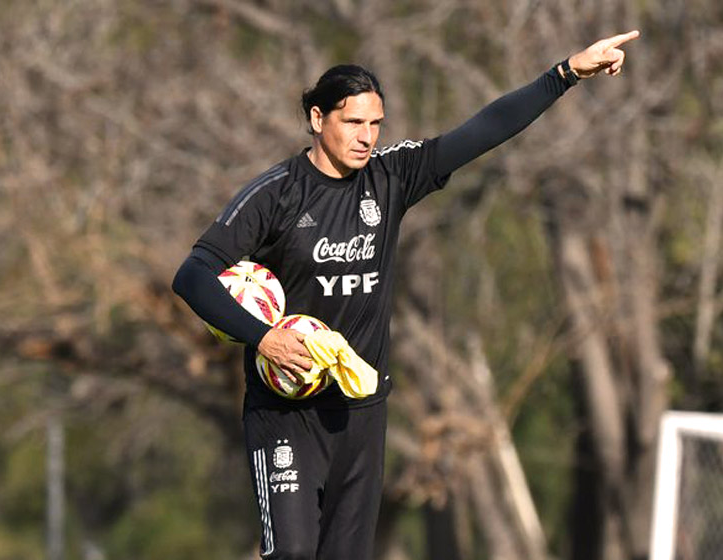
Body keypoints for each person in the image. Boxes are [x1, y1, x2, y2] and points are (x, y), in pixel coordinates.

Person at [173, 30, 640, 560]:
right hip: (286, 414)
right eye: (353, 122)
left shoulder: (391, 177)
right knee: (293, 554)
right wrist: (263, 339)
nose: (366, 137)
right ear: (317, 119)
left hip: (360, 412)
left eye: (375, 125)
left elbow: (483, 130)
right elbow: (191, 275)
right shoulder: (275, 194)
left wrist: (567, 73)